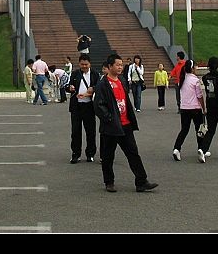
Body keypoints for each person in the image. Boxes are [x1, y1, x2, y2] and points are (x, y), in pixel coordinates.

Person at [94, 53, 158, 193]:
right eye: (117, 65)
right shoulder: (103, 84)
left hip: (125, 124)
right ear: (109, 66)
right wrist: (109, 118)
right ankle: (109, 182)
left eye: (121, 65)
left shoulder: (122, 81)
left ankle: (141, 181)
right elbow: (98, 106)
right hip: (111, 126)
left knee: (133, 153)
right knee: (108, 156)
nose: (120, 67)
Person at [66, 53, 100, 163]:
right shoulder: (75, 73)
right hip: (76, 107)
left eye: (86, 64)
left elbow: (99, 87)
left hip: (89, 107)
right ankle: (76, 154)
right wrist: (70, 88)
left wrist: (92, 89)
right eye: (82, 64)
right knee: (75, 131)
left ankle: (90, 153)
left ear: (90, 64)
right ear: (79, 64)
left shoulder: (95, 74)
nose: (84, 66)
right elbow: (68, 86)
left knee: (90, 131)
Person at [172, 60, 207, 163]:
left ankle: (177, 148)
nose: (196, 69)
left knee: (184, 130)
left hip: (184, 108)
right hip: (195, 108)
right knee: (199, 130)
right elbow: (199, 96)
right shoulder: (195, 80)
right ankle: (201, 149)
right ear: (192, 69)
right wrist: (204, 108)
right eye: (195, 67)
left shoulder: (182, 79)